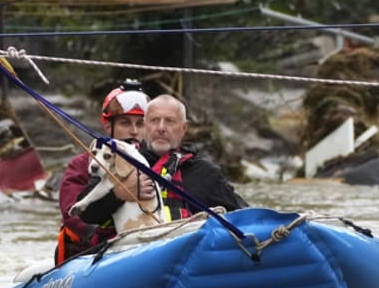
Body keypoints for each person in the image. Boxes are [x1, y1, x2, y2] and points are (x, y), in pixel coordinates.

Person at [75, 93, 246, 230]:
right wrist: (119, 193)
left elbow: (244, 215)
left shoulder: (206, 173)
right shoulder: (120, 161)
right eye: (154, 120)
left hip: (186, 255)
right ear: (145, 125)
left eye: (169, 121)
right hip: (129, 253)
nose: (161, 128)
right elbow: (86, 215)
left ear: (184, 128)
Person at [56, 81, 154, 264]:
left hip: (144, 246)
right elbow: (72, 212)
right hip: (92, 254)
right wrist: (118, 195)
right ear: (108, 126)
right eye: (125, 123)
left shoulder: (153, 163)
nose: (134, 131)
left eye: (140, 124)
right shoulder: (82, 165)